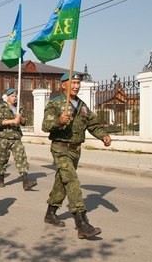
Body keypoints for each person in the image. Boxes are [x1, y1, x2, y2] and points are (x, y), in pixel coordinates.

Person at [42, 72, 111, 239]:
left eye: (78, 83)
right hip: (60, 147)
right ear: (63, 85)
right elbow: (45, 125)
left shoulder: (82, 105)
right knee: (72, 180)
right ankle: (81, 222)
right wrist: (59, 121)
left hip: (75, 150)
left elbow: (93, 125)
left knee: (62, 181)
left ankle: (50, 213)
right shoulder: (55, 104)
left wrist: (103, 135)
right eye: (72, 83)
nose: (76, 86)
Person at [0, 88, 35, 190]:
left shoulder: (18, 108)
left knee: (21, 158)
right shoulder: (1, 107)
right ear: (7, 97)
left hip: (16, 137)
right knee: (2, 159)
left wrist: (20, 118)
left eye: (16, 96)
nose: (14, 98)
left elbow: (24, 122)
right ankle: (1, 178)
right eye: (12, 96)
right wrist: (13, 120)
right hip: (4, 138)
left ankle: (25, 182)